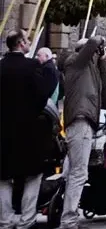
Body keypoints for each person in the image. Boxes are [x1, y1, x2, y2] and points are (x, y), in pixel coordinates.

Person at [0, 30, 57, 229]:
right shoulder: (32, 66)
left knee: (4, 177)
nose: (29, 42)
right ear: (21, 43)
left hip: (4, 131)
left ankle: (5, 219)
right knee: (33, 175)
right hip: (29, 131)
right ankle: (27, 218)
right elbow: (43, 93)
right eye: (27, 39)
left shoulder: (1, 66)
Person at [61, 36, 106, 229]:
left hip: (86, 121)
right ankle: (69, 219)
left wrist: (102, 62)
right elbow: (90, 45)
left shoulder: (89, 69)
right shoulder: (75, 63)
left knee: (77, 170)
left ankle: (68, 214)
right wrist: (99, 39)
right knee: (78, 172)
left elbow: (105, 86)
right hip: (80, 120)